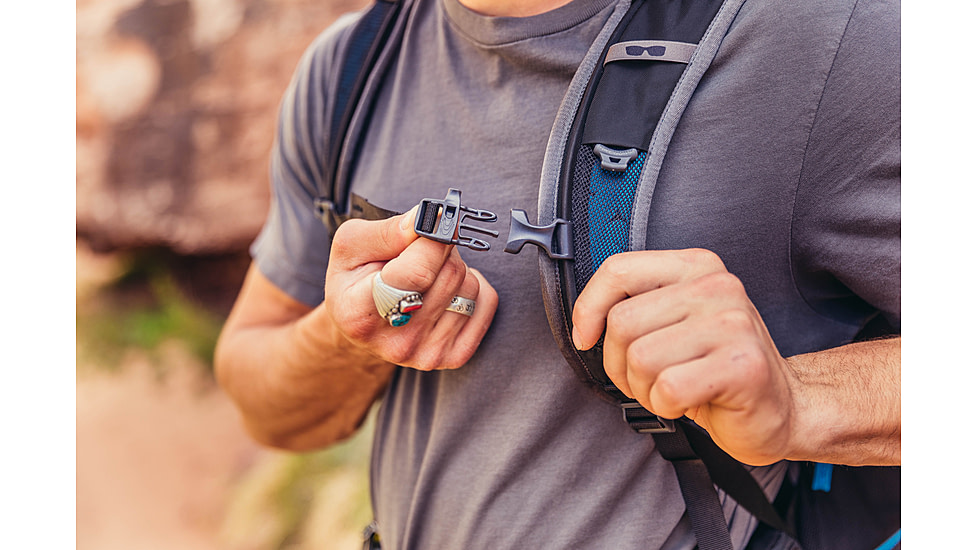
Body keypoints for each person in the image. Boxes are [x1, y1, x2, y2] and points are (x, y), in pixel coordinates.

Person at [214, 0, 900, 546]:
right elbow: (261, 399)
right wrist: (346, 340)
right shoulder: (352, 70)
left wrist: (799, 401)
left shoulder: (832, 39)